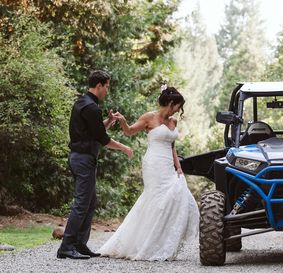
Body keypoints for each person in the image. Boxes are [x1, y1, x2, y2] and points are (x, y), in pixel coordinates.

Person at [98, 85, 199, 261]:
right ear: (170, 103)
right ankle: (142, 243)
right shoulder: (149, 118)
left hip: (168, 164)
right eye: (178, 106)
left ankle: (159, 242)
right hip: (153, 163)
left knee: (176, 196)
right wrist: (121, 120)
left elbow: (173, 147)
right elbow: (129, 131)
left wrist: (179, 167)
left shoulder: (173, 122)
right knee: (155, 200)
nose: (179, 110)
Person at [57, 70, 133, 260]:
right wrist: (124, 148)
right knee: (82, 203)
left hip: (79, 158)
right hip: (83, 159)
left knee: (89, 203)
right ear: (99, 85)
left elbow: (93, 131)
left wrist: (108, 121)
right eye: (106, 86)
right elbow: (103, 139)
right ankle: (66, 246)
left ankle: (80, 244)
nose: (107, 90)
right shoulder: (91, 108)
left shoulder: (83, 103)